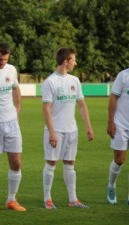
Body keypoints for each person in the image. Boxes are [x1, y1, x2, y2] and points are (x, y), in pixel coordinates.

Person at [41, 47, 94, 209]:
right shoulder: (50, 82)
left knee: (70, 163)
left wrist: (88, 127)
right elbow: (46, 109)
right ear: (66, 61)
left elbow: (82, 104)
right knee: (51, 163)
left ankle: (73, 199)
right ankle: (47, 199)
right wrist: (51, 132)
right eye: (73, 60)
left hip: (72, 130)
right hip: (55, 131)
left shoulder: (74, 80)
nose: (75, 63)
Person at [0, 42, 25, 213]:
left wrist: (18, 107)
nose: (2, 62)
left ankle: (12, 199)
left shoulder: (11, 69)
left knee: (16, 161)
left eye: (5, 59)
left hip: (11, 122)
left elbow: (15, 88)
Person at [106, 68, 129, 205]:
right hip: (120, 124)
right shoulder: (123, 75)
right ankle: (111, 186)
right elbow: (113, 98)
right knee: (119, 160)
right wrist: (110, 122)